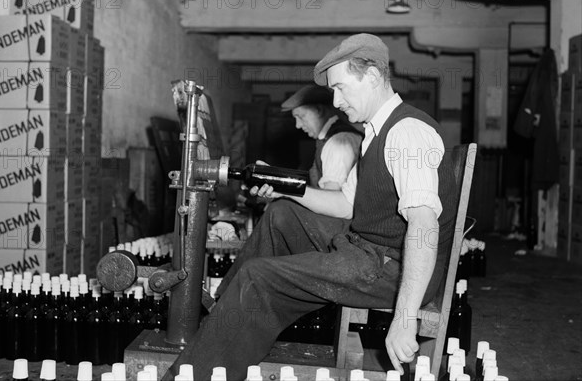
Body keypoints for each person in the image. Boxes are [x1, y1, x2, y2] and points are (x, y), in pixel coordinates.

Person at [164, 33, 458, 381]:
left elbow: (424, 227)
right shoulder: (374, 135)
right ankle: (223, 320)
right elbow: (345, 204)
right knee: (281, 214)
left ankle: (192, 374)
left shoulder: (407, 133)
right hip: (366, 251)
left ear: (375, 77)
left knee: (258, 278)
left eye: (341, 88)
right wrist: (282, 189)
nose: (335, 101)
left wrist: (405, 319)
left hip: (390, 267)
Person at [280, 84, 363, 190]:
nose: (298, 125)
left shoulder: (339, 141)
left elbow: (331, 198)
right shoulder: (327, 139)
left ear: (319, 110)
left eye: (301, 117)